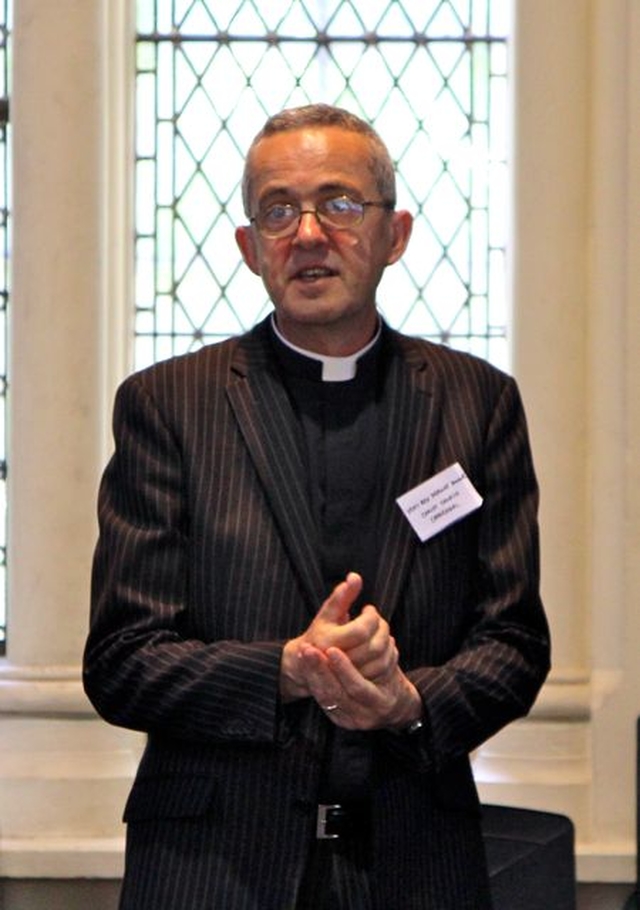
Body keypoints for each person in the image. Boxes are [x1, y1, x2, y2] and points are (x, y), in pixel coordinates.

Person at [83, 103, 551, 910]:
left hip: (417, 864)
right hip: (214, 870)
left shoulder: (478, 404)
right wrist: (289, 670)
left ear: (395, 234)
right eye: (277, 210)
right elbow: (123, 662)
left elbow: (513, 642)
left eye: (339, 204)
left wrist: (411, 703)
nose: (307, 233)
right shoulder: (168, 406)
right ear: (247, 247)